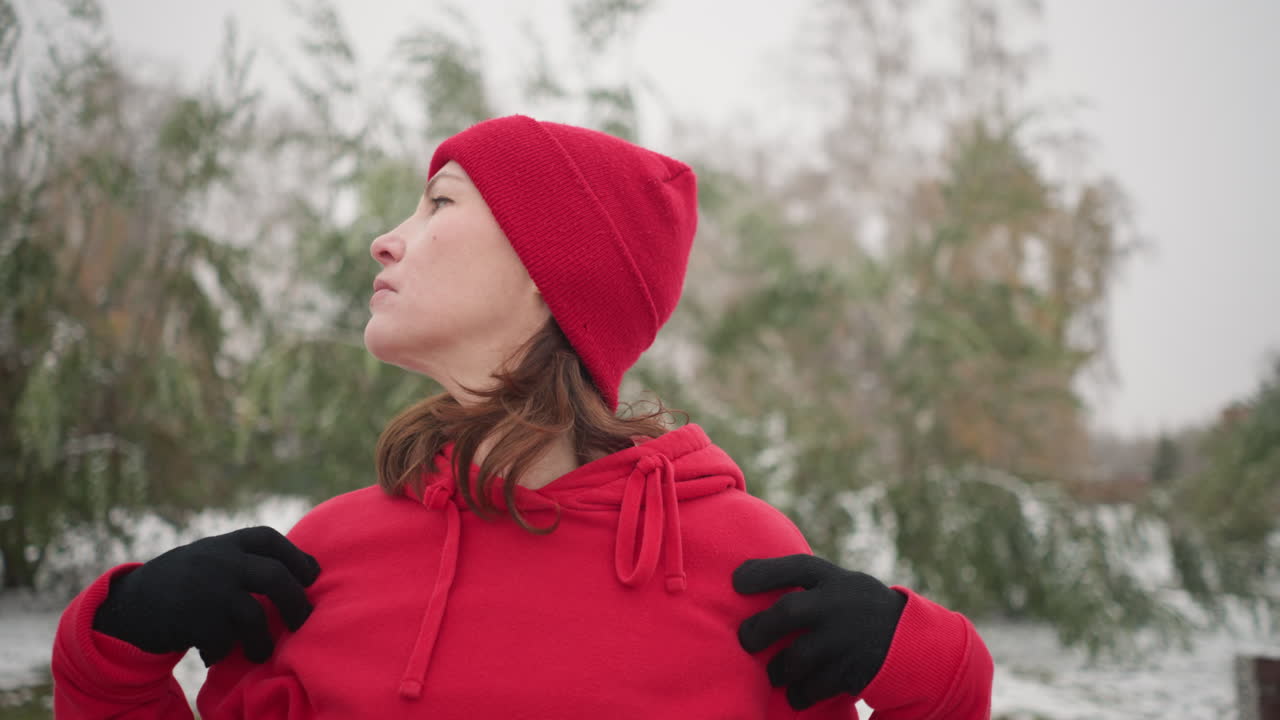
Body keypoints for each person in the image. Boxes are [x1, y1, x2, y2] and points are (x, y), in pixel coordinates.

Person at [52, 115, 991, 718]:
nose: (386, 238)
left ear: (553, 274)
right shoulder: (316, 559)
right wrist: (119, 647)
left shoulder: (744, 561)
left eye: (438, 205)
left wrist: (927, 665)